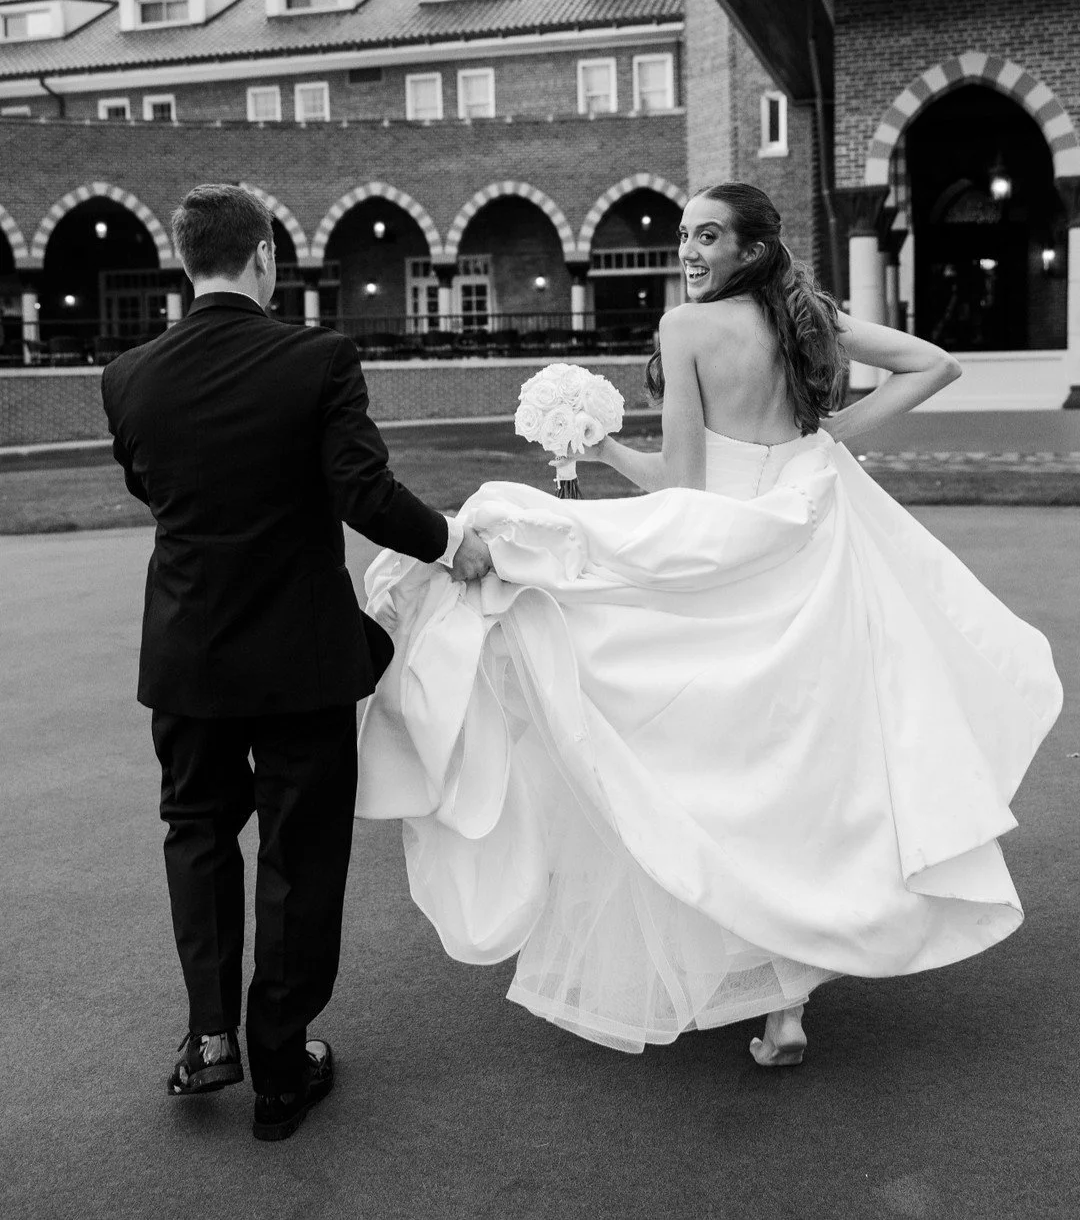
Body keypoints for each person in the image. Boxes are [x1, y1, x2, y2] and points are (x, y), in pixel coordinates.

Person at [355, 182, 1062, 1066]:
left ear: (751, 247)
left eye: (709, 236)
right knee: (805, 767)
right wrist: (830, 438)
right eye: (685, 236)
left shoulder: (686, 330)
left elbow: (684, 490)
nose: (690, 252)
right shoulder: (809, 317)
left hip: (731, 554)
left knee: (713, 764)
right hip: (810, 544)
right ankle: (787, 998)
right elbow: (934, 363)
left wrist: (602, 451)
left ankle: (771, 977)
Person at [101, 183, 491, 1141]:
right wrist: (450, 544)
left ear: (186, 260)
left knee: (195, 833)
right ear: (266, 256)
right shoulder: (318, 356)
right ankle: (282, 1059)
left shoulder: (128, 375)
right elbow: (362, 492)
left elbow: (153, 489)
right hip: (301, 656)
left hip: (188, 651)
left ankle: (208, 1039)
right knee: (299, 850)